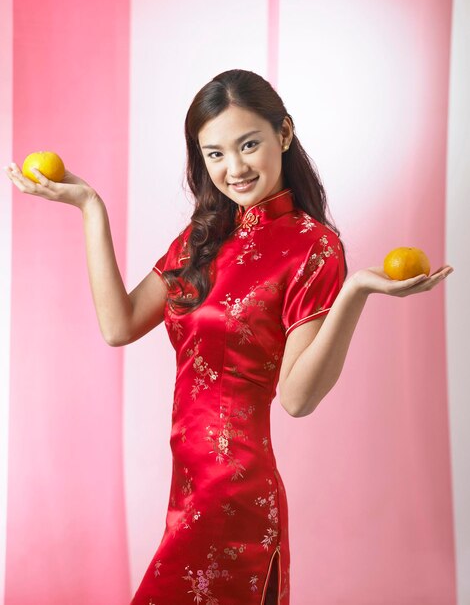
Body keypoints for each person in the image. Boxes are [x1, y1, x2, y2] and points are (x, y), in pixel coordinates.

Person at [4, 69, 454, 605]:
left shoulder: (313, 246)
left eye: (248, 145)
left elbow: (297, 398)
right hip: (188, 489)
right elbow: (119, 324)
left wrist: (354, 292)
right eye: (214, 153)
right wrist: (89, 207)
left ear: (283, 134)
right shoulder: (203, 236)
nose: (234, 168)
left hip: (234, 494)